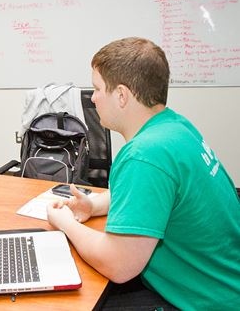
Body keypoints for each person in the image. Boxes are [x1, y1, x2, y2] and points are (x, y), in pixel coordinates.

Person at [47, 37, 240, 310]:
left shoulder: (144, 155)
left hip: (204, 302)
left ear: (122, 95)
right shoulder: (174, 127)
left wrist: (65, 224)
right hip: (224, 286)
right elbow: (155, 198)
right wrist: (94, 204)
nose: (93, 98)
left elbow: (119, 265)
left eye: (98, 88)